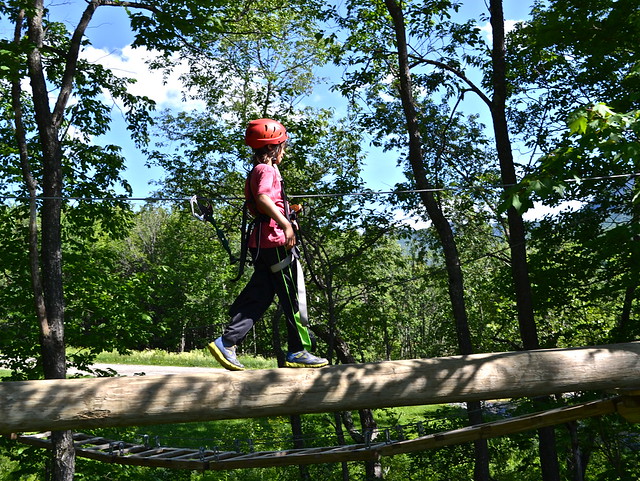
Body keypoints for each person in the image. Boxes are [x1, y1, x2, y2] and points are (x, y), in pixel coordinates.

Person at [208, 118, 328, 371]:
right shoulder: (267, 170)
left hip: (262, 242)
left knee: (260, 295)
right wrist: (285, 224)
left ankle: (227, 341)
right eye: (283, 146)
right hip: (275, 241)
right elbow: (262, 198)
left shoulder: (256, 170)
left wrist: (288, 211)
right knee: (293, 296)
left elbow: (263, 202)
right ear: (275, 148)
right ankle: (297, 350)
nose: (284, 151)